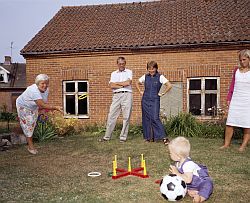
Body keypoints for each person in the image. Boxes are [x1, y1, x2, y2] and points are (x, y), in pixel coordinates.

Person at [16, 74, 62, 154]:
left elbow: (43, 103)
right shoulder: (33, 90)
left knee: (32, 124)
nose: (45, 85)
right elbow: (41, 104)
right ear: (37, 84)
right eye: (42, 83)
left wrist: (43, 112)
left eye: (47, 83)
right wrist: (55, 107)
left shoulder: (46, 90)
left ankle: (29, 143)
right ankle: (30, 147)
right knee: (29, 125)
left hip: (33, 107)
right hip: (23, 106)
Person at [220, 49, 250, 152]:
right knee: (230, 122)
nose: (242, 62)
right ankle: (226, 144)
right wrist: (229, 99)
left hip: (247, 101)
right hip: (236, 99)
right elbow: (232, 86)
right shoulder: (236, 70)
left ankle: (243, 146)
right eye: (240, 60)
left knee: (247, 124)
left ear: (249, 59)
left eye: (244, 59)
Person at [136, 61, 172, 144]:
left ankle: (164, 138)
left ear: (156, 68)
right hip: (145, 99)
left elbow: (169, 85)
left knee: (155, 118)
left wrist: (162, 93)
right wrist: (140, 91)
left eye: (153, 69)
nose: (151, 71)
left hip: (155, 99)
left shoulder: (160, 77)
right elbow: (137, 83)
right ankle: (148, 138)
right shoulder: (145, 76)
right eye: (149, 69)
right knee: (146, 118)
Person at [168, 137, 213, 203]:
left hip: (202, 182)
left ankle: (200, 198)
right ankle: (194, 190)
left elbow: (188, 180)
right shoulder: (178, 163)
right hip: (191, 185)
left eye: (170, 153)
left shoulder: (188, 164)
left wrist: (177, 173)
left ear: (178, 156)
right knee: (185, 188)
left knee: (207, 186)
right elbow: (181, 177)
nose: (169, 154)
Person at [99, 57, 133, 142]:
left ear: (125, 63)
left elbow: (128, 83)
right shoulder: (113, 73)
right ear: (117, 64)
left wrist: (117, 83)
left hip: (127, 95)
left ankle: (123, 138)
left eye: (123, 63)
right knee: (111, 116)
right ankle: (107, 137)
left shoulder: (129, 72)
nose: (121, 65)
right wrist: (122, 85)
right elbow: (111, 85)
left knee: (126, 116)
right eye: (120, 63)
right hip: (116, 96)